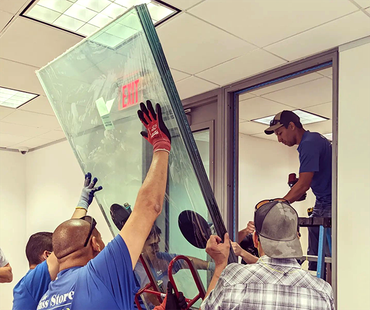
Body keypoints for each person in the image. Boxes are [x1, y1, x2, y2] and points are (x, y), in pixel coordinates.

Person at [36, 101, 184, 310]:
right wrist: (161, 146)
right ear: (95, 244)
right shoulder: (96, 274)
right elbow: (149, 206)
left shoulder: (46, 300)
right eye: (102, 240)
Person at [201, 199, 335, 310]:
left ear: (255, 239)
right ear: (297, 239)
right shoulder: (323, 291)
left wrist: (220, 265)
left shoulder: (233, 279)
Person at [12, 173, 102, 310]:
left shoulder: (36, 286)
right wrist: (82, 203)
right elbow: (70, 241)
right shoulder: (32, 282)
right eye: (58, 253)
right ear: (47, 255)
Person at [264, 110, 332, 270]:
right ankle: (315, 283)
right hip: (322, 201)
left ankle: (330, 288)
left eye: (280, 133)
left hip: (330, 202)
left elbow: (303, 185)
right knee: (316, 255)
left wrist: (281, 204)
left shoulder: (309, 142)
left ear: (292, 126)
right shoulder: (312, 141)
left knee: (330, 256)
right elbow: (306, 181)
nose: (279, 139)